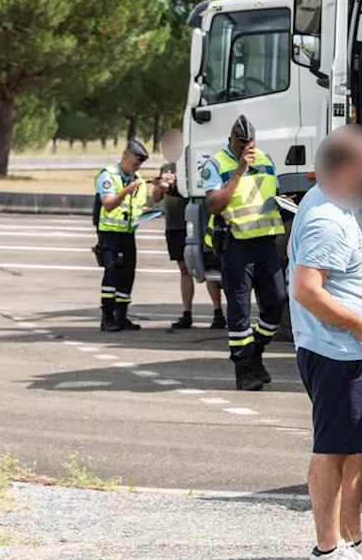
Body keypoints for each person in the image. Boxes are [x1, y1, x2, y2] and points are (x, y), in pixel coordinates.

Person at [290, 125, 362, 560]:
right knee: (333, 447)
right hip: (335, 349)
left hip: (349, 351)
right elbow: (306, 290)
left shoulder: (334, 205)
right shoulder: (326, 218)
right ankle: (327, 552)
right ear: (349, 167)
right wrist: (359, 323)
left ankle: (350, 539)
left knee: (357, 445)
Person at [202, 115, 287, 391]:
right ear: (230, 141)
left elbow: (272, 195)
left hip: (266, 244)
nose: (245, 148)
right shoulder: (216, 164)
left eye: (249, 143)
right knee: (239, 309)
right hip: (235, 244)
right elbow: (214, 205)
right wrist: (239, 171)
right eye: (240, 143)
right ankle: (244, 370)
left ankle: (255, 353)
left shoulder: (266, 159)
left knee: (276, 303)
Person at [94, 139, 164, 332]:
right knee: (112, 274)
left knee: (127, 275)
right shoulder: (108, 176)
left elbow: (144, 204)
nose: (138, 166)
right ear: (125, 156)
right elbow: (108, 204)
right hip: (110, 234)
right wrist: (126, 190)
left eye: (140, 163)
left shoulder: (138, 180)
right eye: (135, 162)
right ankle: (107, 317)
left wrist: (153, 201)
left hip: (128, 234)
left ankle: (122, 316)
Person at [160, 159, 226, 330]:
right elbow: (156, 196)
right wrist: (160, 184)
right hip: (174, 224)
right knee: (184, 270)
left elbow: (192, 189)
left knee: (209, 264)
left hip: (193, 221)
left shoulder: (191, 161)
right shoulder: (165, 167)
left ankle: (218, 312)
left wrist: (173, 186)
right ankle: (186, 313)